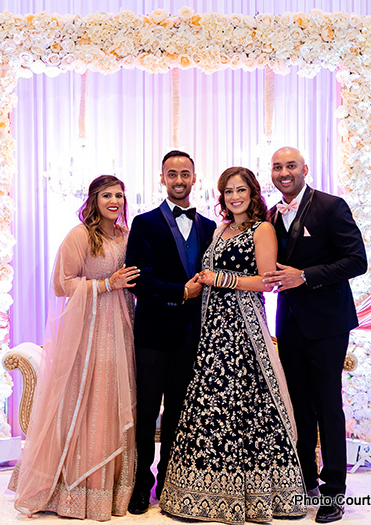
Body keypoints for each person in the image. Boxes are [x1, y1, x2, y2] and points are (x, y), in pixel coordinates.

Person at [159, 167, 306, 525]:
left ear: (252, 193)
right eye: (228, 191)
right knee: (210, 403)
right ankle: (201, 494)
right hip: (212, 329)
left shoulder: (263, 228)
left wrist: (220, 278)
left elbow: (268, 281)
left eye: (240, 190)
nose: (233, 196)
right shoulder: (220, 229)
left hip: (243, 326)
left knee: (250, 405)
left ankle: (260, 495)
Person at [9, 175, 141, 521]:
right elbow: (61, 284)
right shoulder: (81, 235)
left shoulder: (126, 235)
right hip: (90, 330)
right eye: (107, 195)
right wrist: (104, 285)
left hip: (123, 329)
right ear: (94, 199)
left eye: (119, 195)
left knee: (115, 400)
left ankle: (112, 490)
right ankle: (75, 489)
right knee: (89, 399)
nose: (114, 201)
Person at [261, 147, 367, 524]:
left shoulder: (331, 206)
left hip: (327, 325)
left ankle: (333, 492)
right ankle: (304, 481)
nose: (284, 173)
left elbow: (357, 261)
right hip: (289, 324)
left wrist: (304, 276)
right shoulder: (271, 215)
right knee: (298, 407)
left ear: (305, 169)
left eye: (291, 166)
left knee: (326, 406)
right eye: (277, 167)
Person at [124, 150, 216, 514]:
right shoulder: (144, 224)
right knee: (146, 413)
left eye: (185, 173)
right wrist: (180, 292)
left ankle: (170, 482)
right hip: (152, 335)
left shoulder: (211, 228)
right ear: (162, 179)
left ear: (195, 178)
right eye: (172, 174)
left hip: (194, 337)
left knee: (181, 413)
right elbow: (138, 281)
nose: (179, 180)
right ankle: (139, 485)